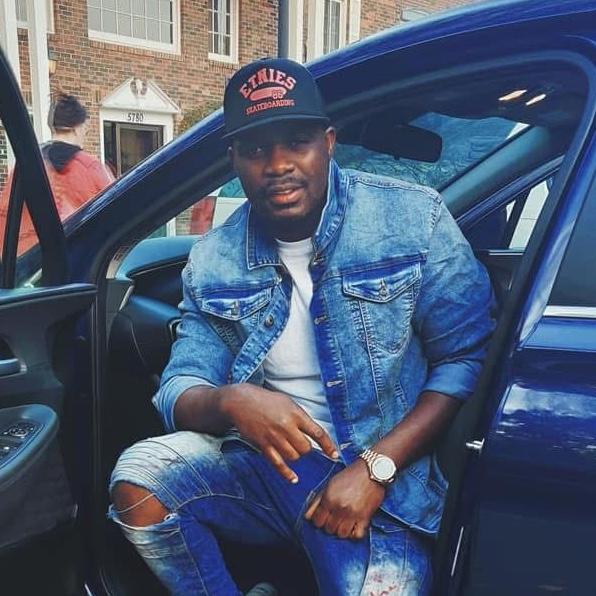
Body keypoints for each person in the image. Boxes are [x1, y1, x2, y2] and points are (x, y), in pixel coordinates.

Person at [109, 58, 495, 595]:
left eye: (297, 142)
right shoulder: (215, 259)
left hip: (385, 489)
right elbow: (179, 387)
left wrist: (376, 467)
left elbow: (465, 356)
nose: (278, 164)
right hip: (266, 470)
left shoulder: (410, 219)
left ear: (328, 143)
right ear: (233, 159)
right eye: (255, 149)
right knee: (140, 479)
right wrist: (232, 402)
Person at [0, 93, 114, 254]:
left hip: (25, 264)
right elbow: (116, 215)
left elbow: (4, 218)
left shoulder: (25, 166)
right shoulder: (91, 168)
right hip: (75, 261)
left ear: (52, 127)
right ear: (79, 128)